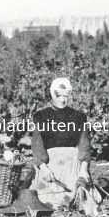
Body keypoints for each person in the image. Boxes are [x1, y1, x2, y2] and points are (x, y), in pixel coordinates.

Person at [30, 77, 91, 208]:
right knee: (49, 199)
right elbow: (37, 144)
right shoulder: (41, 116)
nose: (63, 100)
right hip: (50, 164)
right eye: (58, 96)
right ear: (52, 94)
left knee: (78, 196)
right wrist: (43, 167)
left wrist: (83, 169)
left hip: (72, 164)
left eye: (66, 96)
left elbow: (84, 144)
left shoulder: (79, 117)